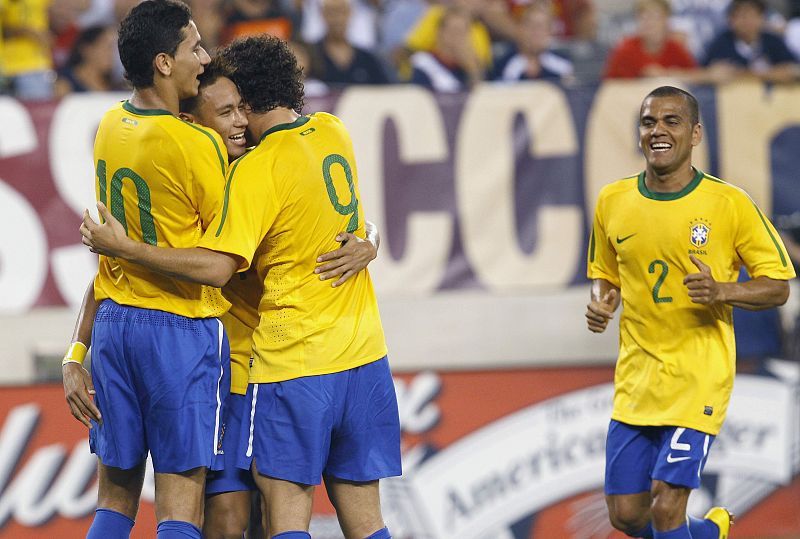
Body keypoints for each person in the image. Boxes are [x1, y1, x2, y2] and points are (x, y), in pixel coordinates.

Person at [80, 35, 400, 539]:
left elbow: (216, 265)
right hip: (242, 368)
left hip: (281, 364)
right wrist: (76, 350)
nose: (234, 122)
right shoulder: (323, 131)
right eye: (223, 112)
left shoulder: (253, 170)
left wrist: (370, 240)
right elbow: (113, 277)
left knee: (275, 515)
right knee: (231, 519)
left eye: (237, 109)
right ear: (193, 122)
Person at [585, 85, 795, 539]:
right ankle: (710, 532)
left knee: (666, 506)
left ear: (696, 133)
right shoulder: (612, 201)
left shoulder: (729, 203)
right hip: (638, 377)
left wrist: (723, 290)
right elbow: (605, 271)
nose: (658, 131)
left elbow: (778, 286)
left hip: (698, 375)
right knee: (627, 515)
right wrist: (603, 299)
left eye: (671, 121)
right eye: (648, 122)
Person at [61, 2, 229, 538]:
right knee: (180, 503)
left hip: (114, 329)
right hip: (178, 330)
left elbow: (111, 249)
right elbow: (221, 262)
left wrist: (76, 351)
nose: (205, 58)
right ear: (163, 62)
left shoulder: (111, 124)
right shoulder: (197, 144)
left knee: (115, 499)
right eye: (194, 47)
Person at [701, 0, 800, 83]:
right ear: (730, 20)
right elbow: (707, 72)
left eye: (752, 16)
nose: (747, 22)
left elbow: (792, 69)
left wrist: (744, 73)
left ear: (762, 18)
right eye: (742, 16)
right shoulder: (721, 43)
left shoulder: (773, 41)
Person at [604, 0, 697, 79]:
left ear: (666, 20)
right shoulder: (625, 50)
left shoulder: (676, 48)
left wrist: (670, 74)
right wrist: (640, 77)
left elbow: (696, 74)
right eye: (643, 17)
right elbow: (609, 82)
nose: (649, 23)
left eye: (655, 17)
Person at [310, 0, 391, 86]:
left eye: (341, 12)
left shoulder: (367, 59)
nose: (337, 18)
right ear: (322, 14)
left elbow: (387, 89)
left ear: (350, 13)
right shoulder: (311, 55)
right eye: (331, 12)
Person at [492, 4, 574, 83]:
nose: (536, 32)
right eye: (530, 25)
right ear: (520, 28)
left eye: (541, 26)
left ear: (550, 31)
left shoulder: (562, 64)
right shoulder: (504, 66)